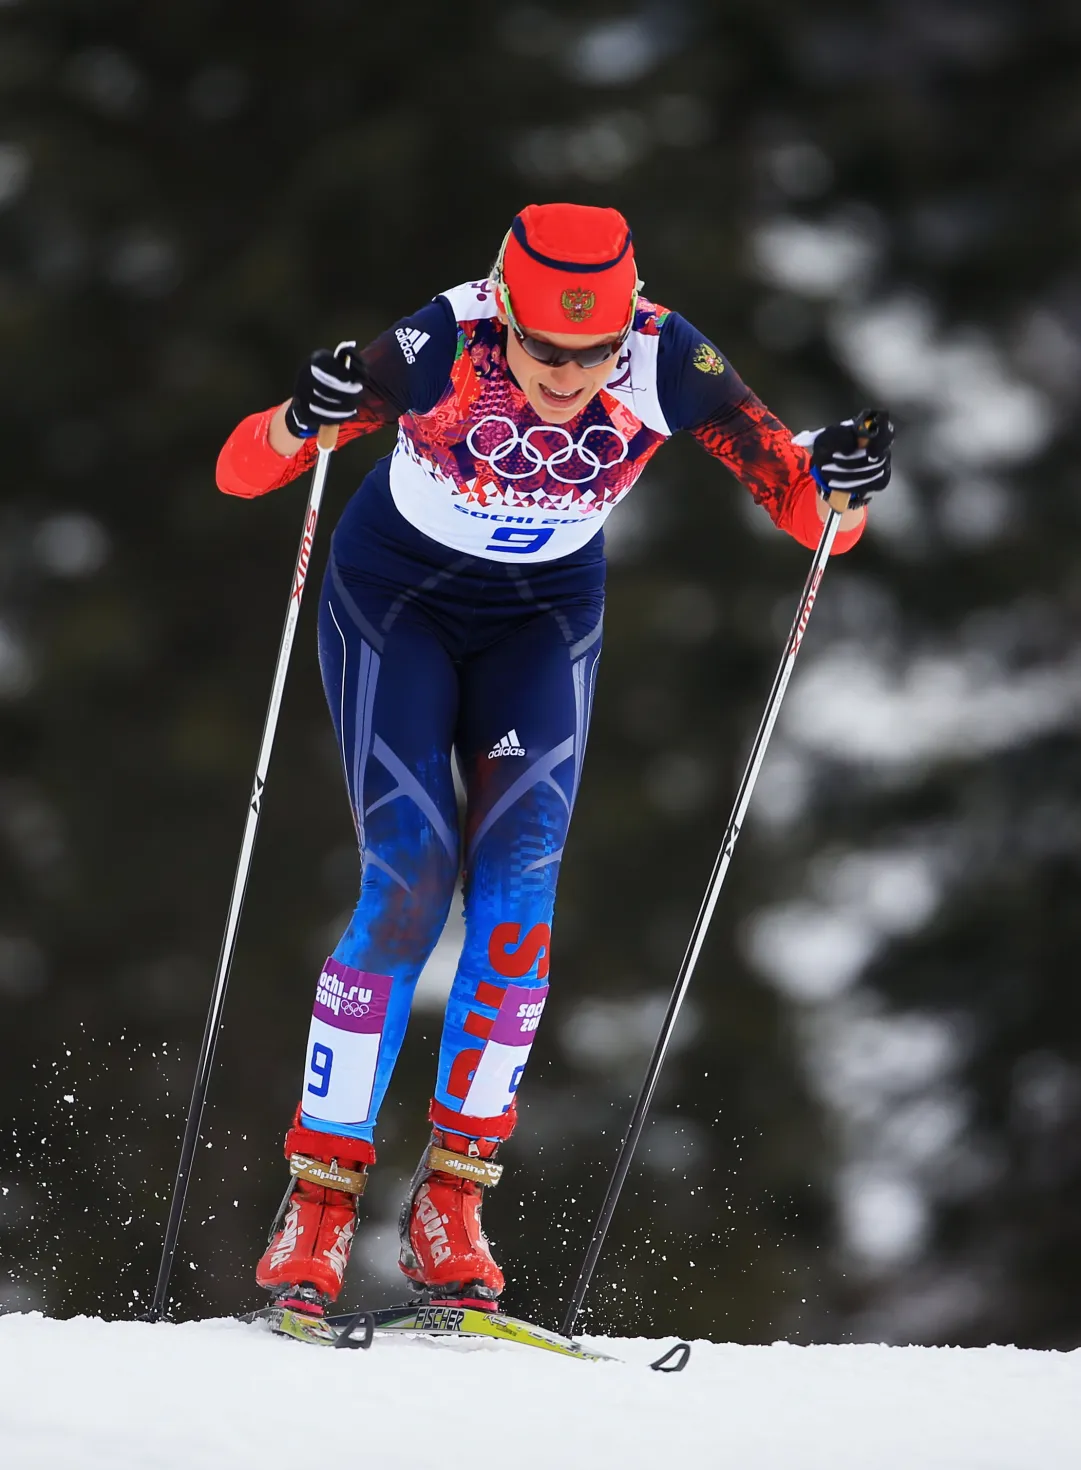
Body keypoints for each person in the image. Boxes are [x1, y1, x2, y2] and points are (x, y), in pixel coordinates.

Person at [216, 202, 892, 1317]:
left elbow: (811, 516)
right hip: (400, 604)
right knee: (408, 885)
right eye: (544, 350)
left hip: (544, 616)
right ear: (505, 317)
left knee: (520, 893)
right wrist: (302, 420)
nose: (570, 375)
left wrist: (844, 481)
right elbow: (246, 473)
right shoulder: (443, 337)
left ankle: (451, 1207)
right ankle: (321, 1205)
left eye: (593, 351)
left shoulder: (670, 355)